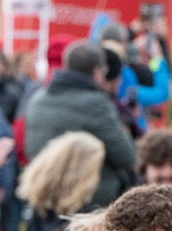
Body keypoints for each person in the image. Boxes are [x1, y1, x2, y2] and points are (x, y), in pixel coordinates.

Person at [26, 41, 138, 208]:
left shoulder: (38, 98)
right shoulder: (96, 103)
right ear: (97, 72)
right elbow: (126, 156)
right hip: (86, 199)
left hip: (44, 196)